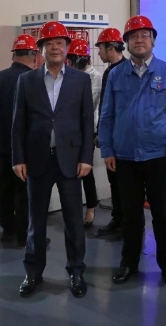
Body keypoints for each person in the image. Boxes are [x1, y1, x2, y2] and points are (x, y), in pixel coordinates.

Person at [99, 15, 166, 290]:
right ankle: (128, 263)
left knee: (162, 214)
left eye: (145, 35)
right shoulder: (116, 75)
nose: (139, 40)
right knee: (130, 215)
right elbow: (107, 115)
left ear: (153, 40)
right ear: (126, 42)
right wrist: (107, 149)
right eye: (133, 36)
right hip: (125, 157)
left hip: (159, 156)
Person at [11, 21, 94, 298]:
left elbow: (86, 122)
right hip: (37, 161)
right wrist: (18, 158)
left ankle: (76, 271)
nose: (55, 47)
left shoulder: (80, 81)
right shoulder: (27, 80)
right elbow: (18, 123)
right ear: (41, 50)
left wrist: (86, 157)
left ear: (67, 48)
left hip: (70, 161)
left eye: (60, 42)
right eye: (49, 43)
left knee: (73, 221)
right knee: (36, 221)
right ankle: (33, 272)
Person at [0, 34, 38, 247]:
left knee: (4, 187)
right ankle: (24, 234)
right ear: (34, 54)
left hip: (1, 143)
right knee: (25, 190)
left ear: (13, 54)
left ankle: (8, 230)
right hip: (26, 145)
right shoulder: (33, 79)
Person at [93, 28, 127, 238]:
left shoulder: (125, 71)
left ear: (111, 47)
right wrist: (101, 133)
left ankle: (125, 225)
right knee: (114, 181)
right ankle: (117, 219)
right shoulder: (109, 72)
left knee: (124, 184)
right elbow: (105, 108)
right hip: (111, 138)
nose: (99, 53)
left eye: (101, 48)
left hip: (122, 139)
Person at [66, 38, 102, 227]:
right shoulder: (69, 74)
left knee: (86, 170)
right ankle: (74, 209)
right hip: (70, 129)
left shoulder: (94, 77)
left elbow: (89, 102)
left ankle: (91, 207)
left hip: (87, 129)